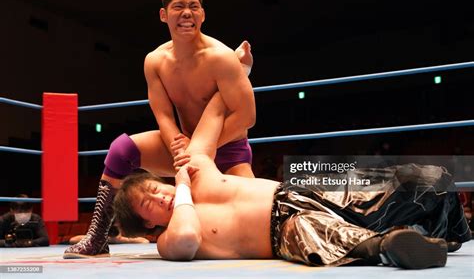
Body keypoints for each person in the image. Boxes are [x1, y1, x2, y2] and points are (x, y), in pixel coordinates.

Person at [113, 92, 471, 268]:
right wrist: (185, 192)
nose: (161, 197)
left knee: (427, 179)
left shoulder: (197, 165)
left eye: (157, 188)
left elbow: (216, 111)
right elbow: (189, 238)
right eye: (150, 203)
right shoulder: (170, 240)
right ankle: (397, 246)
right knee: (343, 241)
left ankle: (454, 234)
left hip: (301, 188)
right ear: (148, 224)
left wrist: (236, 70)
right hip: (285, 230)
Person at [64, 0, 256, 258]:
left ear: (202, 13)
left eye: (193, 6)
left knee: (252, 215)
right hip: (185, 148)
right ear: (164, 15)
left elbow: (246, 116)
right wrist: (177, 143)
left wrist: (204, 150)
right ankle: (97, 238)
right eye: (179, 6)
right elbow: (164, 114)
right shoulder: (155, 61)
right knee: (121, 149)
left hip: (229, 150)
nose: (187, 13)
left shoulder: (221, 57)